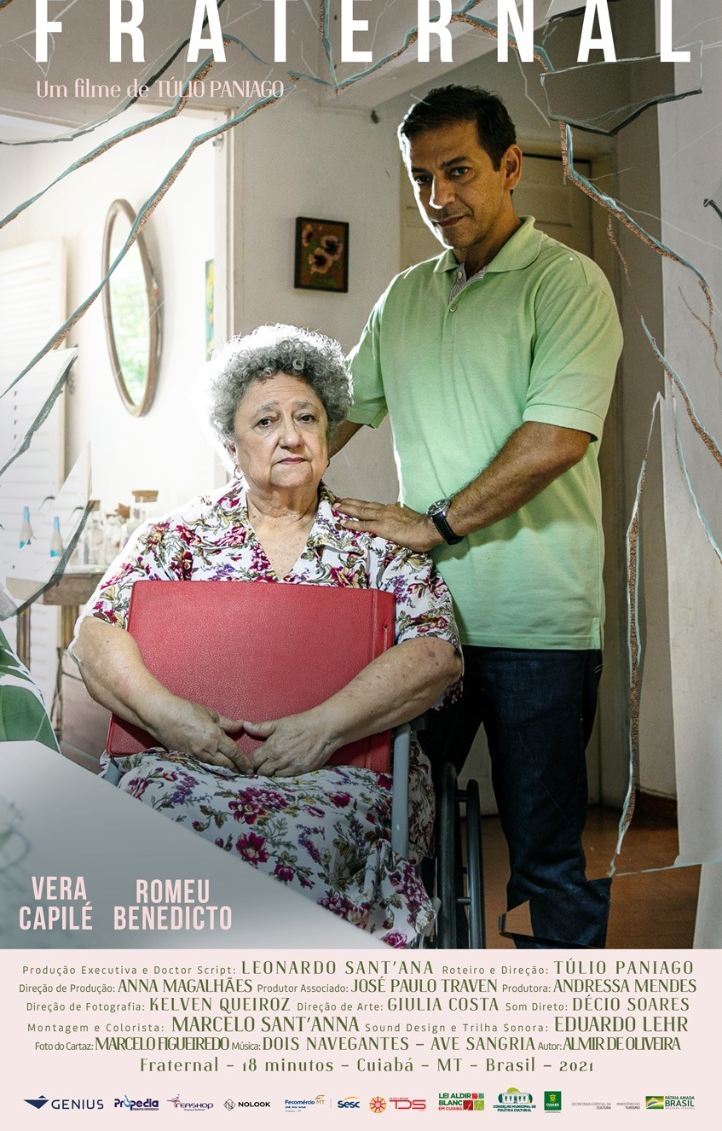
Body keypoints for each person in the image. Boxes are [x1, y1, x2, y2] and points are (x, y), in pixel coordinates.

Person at [331, 85, 623, 948]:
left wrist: (434, 526)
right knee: (399, 838)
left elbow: (555, 440)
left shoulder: (568, 284)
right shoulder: (404, 298)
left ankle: (568, 1023)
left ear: (510, 165)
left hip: (540, 626)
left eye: (458, 171)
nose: (439, 196)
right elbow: (337, 413)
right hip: (425, 628)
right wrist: (260, 473)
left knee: (546, 862)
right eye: (422, 178)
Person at [71, 324, 461, 946]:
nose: (291, 436)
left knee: (312, 840)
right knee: (162, 822)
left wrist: (324, 727)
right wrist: (172, 719)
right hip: (186, 763)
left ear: (328, 432)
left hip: (342, 772)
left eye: (307, 417)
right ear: (231, 444)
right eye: (265, 421)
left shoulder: (380, 541)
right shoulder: (177, 538)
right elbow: (95, 637)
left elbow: (436, 654)